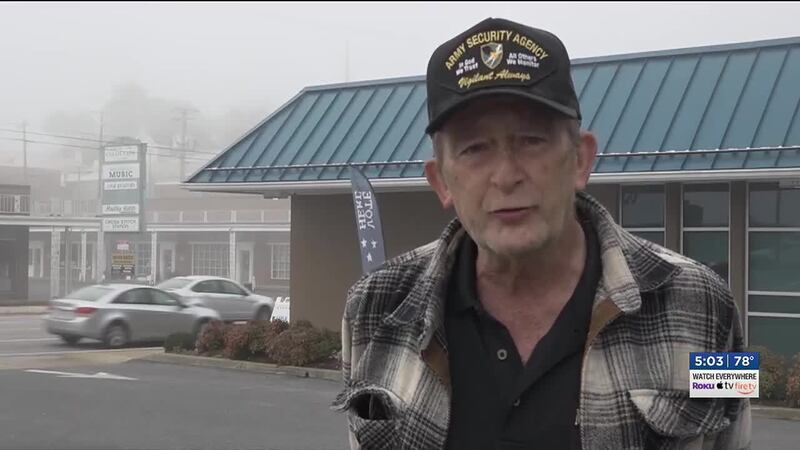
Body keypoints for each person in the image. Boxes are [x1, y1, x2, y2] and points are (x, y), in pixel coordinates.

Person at [334, 17, 750, 450]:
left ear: (581, 159)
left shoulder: (705, 301)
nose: (506, 176)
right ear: (441, 181)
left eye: (532, 140)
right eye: (475, 148)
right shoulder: (374, 308)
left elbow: (735, 437)